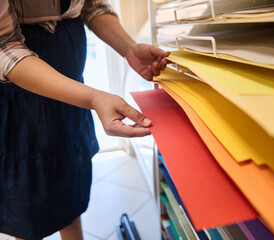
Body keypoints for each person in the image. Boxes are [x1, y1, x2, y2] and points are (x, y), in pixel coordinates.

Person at [0, 0, 169, 239]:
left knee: (70, 187)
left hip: (71, 96)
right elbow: (4, 46)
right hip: (19, 98)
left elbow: (92, 6)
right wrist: (93, 99)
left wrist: (129, 48)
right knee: (28, 203)